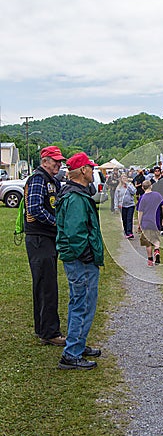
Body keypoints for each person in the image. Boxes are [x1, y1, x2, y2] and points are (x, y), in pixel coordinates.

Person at [56, 152, 104, 370]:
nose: (93, 172)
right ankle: (72, 353)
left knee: (80, 301)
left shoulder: (74, 193)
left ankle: (78, 343)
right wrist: (86, 255)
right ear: (83, 171)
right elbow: (75, 232)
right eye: (91, 168)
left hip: (78, 258)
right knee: (82, 304)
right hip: (80, 260)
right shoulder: (75, 197)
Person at [24, 145, 66, 346]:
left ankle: (44, 328)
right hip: (39, 238)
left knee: (46, 283)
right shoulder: (39, 179)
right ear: (44, 161)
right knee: (46, 285)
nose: (59, 163)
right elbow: (34, 208)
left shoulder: (51, 180)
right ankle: (49, 332)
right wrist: (56, 222)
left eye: (59, 160)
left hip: (45, 238)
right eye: (55, 160)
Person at [137, 180, 163, 267]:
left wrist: (139, 223)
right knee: (156, 239)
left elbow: (140, 212)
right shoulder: (157, 195)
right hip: (156, 221)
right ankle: (157, 250)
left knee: (147, 242)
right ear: (151, 186)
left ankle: (150, 259)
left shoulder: (143, 197)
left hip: (146, 222)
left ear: (142, 187)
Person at [114, 174, 137, 239]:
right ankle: (126, 231)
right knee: (124, 219)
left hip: (130, 205)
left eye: (125, 178)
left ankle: (129, 233)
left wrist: (127, 185)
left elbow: (134, 192)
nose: (124, 179)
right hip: (122, 206)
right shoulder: (118, 187)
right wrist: (116, 206)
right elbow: (116, 197)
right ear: (121, 179)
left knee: (129, 219)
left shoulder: (130, 185)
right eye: (123, 178)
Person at [151, 166, 163, 235]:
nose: (157, 172)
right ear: (154, 172)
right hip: (154, 199)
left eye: (158, 171)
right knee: (156, 213)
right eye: (155, 171)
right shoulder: (151, 180)